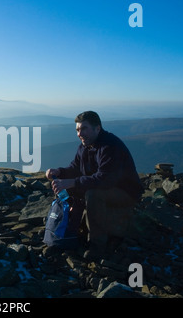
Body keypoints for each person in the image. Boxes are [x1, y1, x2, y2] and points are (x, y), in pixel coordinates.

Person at [46, 111, 144, 260]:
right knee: (66, 188)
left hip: (126, 192)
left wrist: (72, 182)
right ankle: (67, 230)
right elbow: (75, 168)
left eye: (84, 128)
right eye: (78, 130)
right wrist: (59, 172)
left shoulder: (110, 146)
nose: (80, 133)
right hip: (106, 187)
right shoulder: (85, 146)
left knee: (93, 194)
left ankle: (97, 246)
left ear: (97, 128)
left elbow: (105, 179)